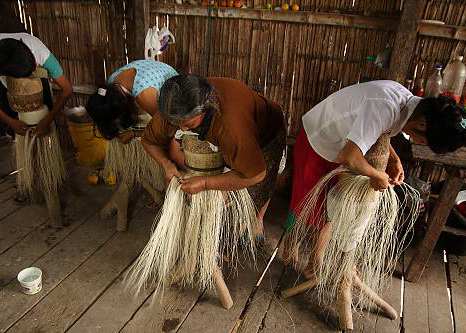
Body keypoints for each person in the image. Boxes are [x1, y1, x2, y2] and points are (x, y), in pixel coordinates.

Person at [284, 79, 466, 271]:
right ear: (422, 124)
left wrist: (393, 159)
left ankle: (316, 260)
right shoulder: (385, 106)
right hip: (318, 138)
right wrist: (376, 175)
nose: (420, 142)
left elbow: (377, 131)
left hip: (341, 142)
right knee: (306, 202)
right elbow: (349, 156)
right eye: (424, 140)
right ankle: (290, 244)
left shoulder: (406, 103)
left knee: (330, 208)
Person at [142, 74, 286, 237]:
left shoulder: (231, 129)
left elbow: (256, 175)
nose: (182, 129)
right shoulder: (173, 108)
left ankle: (257, 221)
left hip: (267, 130)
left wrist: (204, 183)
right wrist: (166, 164)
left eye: (188, 124)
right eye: (177, 124)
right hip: (235, 136)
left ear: (206, 106)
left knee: (257, 191)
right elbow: (148, 141)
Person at [86, 60, 178, 231]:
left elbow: (168, 130)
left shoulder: (146, 95)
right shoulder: (109, 89)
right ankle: (134, 185)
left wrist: (135, 134)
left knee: (161, 138)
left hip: (171, 90)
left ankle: (170, 207)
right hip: (146, 88)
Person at [0, 34, 72, 138]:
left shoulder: (39, 52)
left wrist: (48, 119)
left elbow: (67, 90)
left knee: (45, 131)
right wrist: (10, 121)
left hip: (37, 81)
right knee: (14, 132)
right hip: (4, 85)